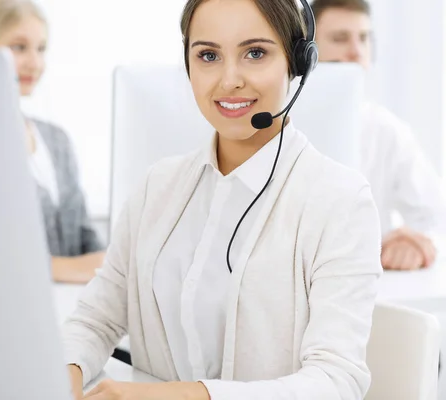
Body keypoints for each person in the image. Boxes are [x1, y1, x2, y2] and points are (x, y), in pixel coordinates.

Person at [62, 0, 382, 399]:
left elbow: (336, 380)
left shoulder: (340, 202)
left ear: (297, 63)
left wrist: (172, 397)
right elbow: (94, 321)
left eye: (255, 53)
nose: (229, 80)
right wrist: (62, 379)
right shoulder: (156, 188)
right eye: (209, 55)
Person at [0, 0, 106, 283]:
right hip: (9, 314)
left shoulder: (56, 139)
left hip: (72, 307)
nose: (35, 62)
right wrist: (69, 269)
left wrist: (108, 264)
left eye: (40, 49)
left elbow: (82, 232)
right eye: (19, 47)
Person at [311, 0, 446, 271]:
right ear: (305, 52)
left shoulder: (385, 129)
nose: (356, 51)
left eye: (364, 38)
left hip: (366, 289)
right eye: (340, 39)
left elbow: (435, 217)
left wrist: (416, 243)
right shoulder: (270, 123)